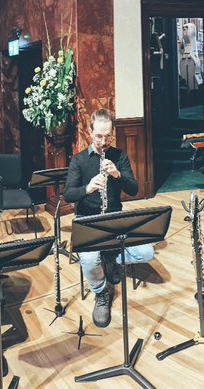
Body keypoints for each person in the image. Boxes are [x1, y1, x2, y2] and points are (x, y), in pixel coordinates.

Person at [65, 108, 152, 328]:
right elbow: (68, 194)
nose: (104, 142)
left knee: (146, 252)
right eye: (99, 136)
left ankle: (111, 258)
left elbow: (133, 189)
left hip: (114, 218)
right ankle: (101, 292)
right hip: (88, 220)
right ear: (89, 132)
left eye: (108, 136)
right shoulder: (79, 160)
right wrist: (87, 188)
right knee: (88, 259)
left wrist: (117, 174)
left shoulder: (119, 156)